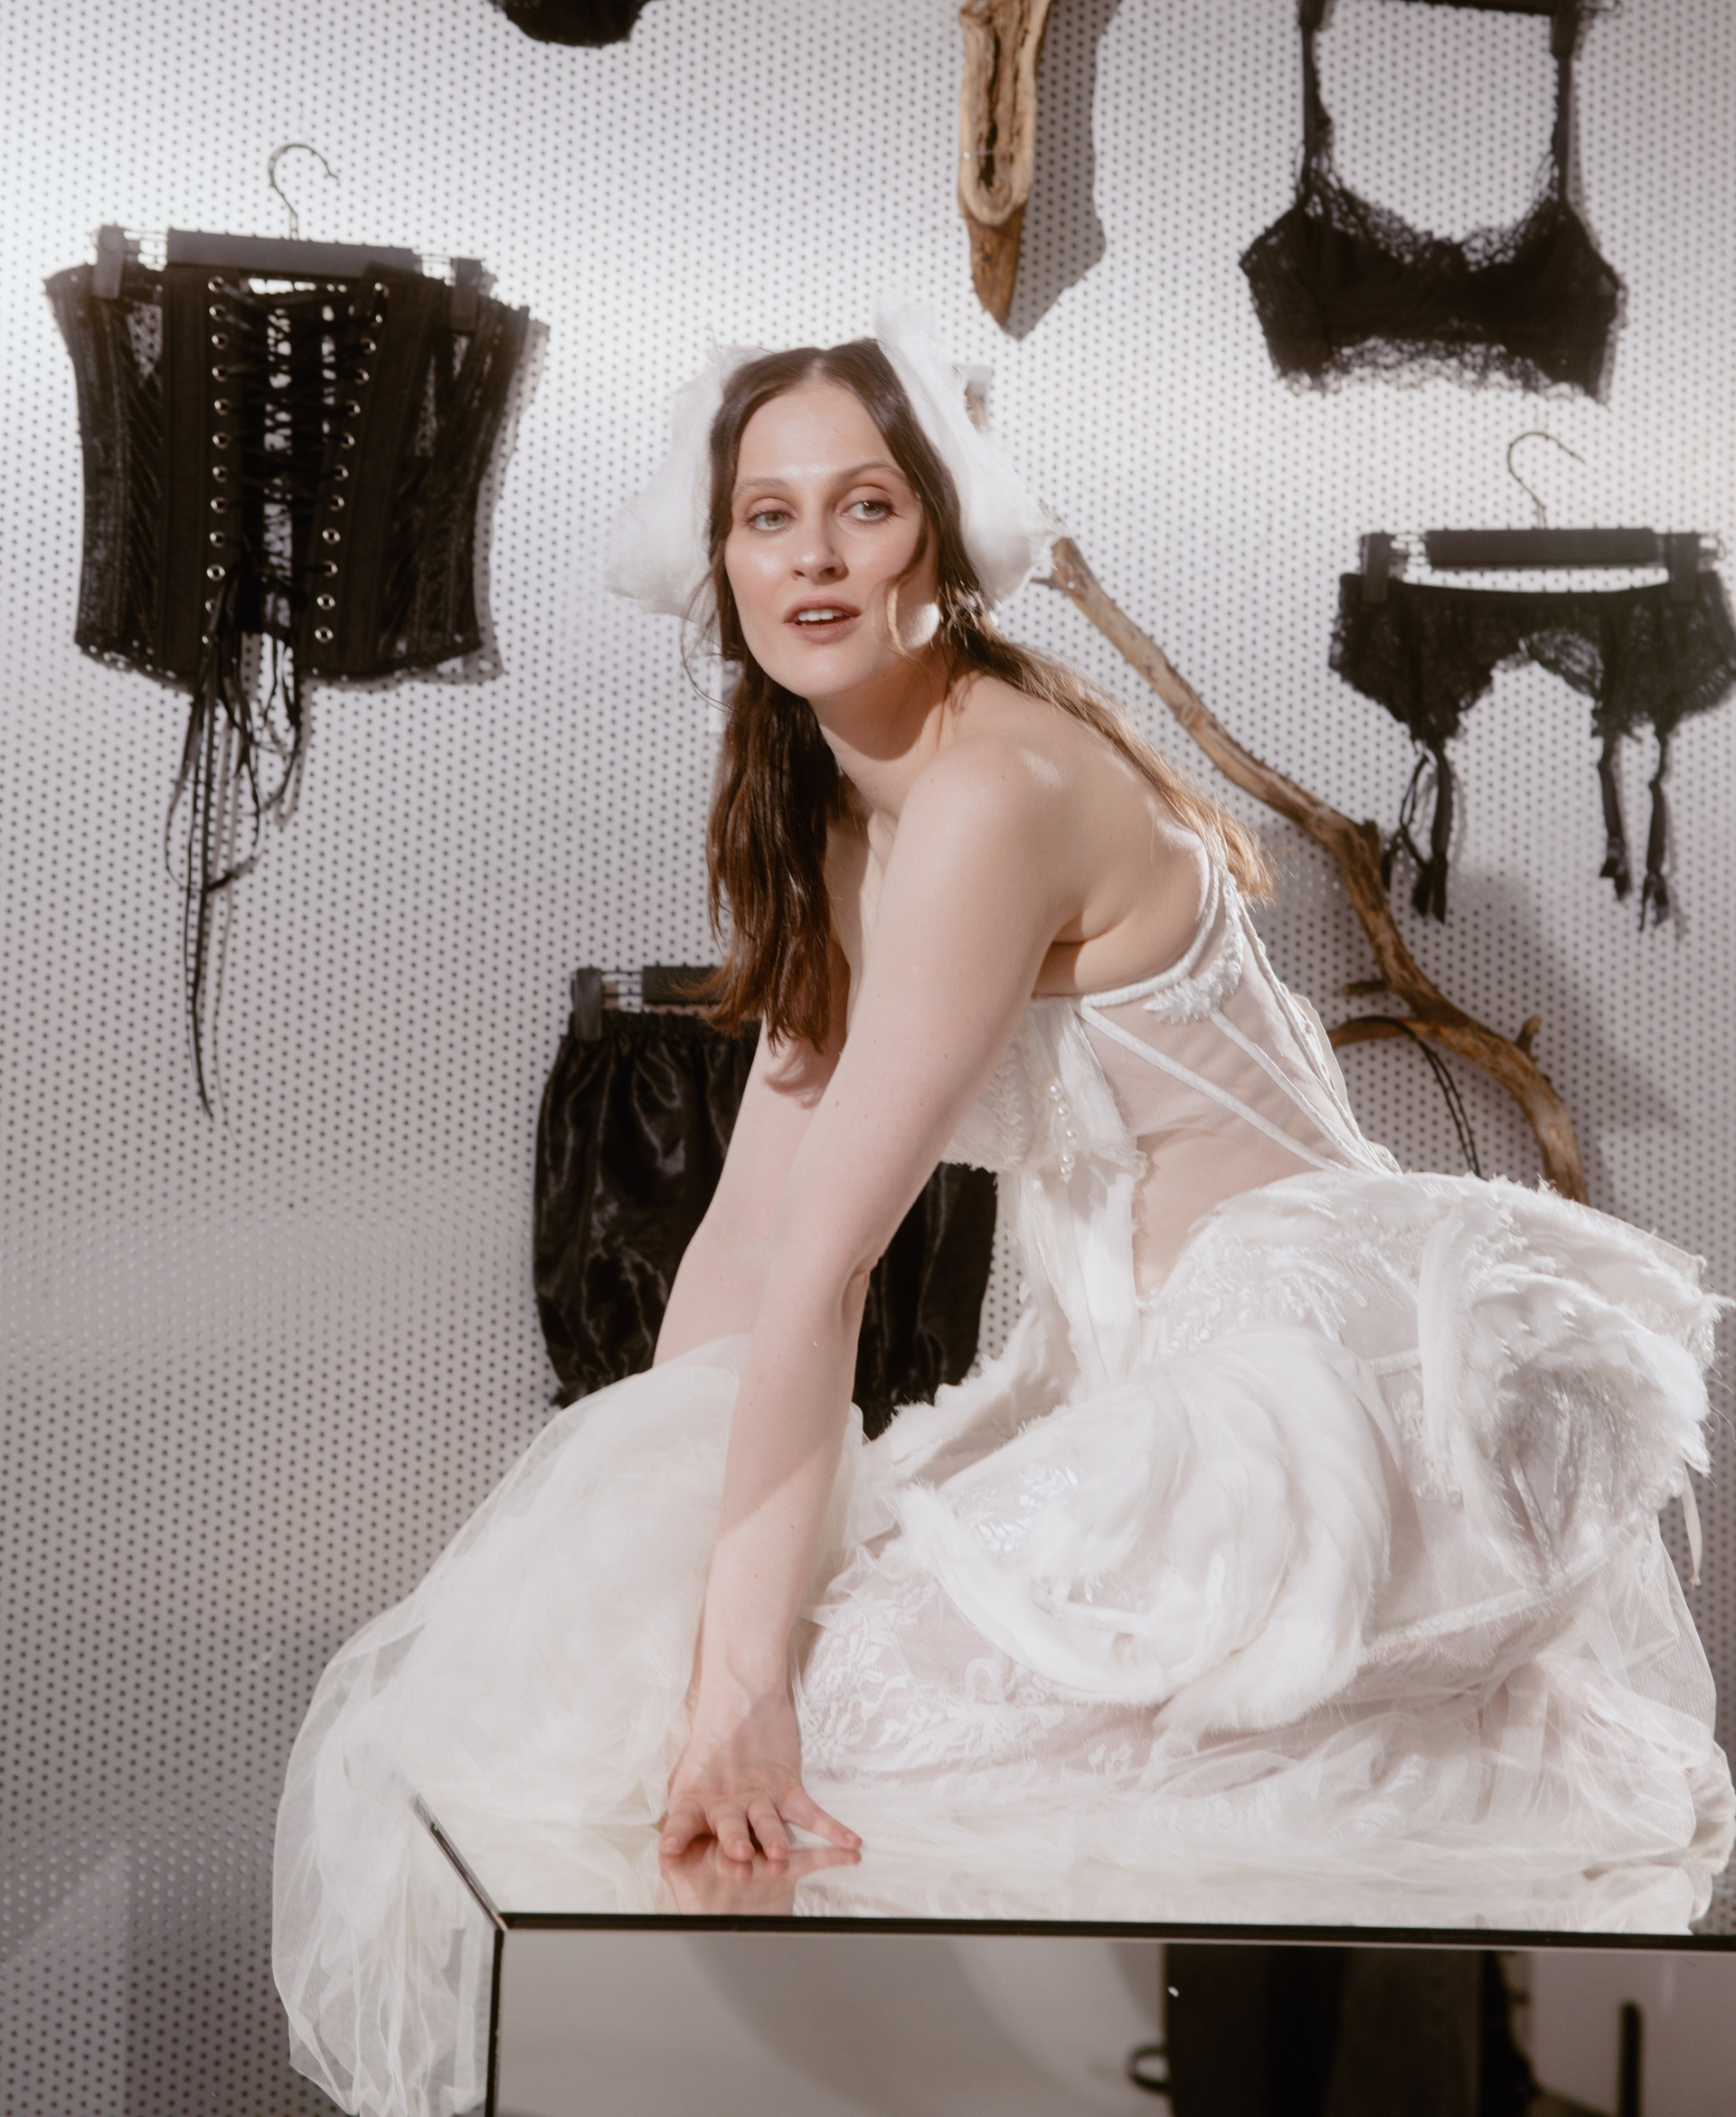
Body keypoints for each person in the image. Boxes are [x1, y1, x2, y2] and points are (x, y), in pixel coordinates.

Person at [275, 304, 1732, 2117]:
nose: (815, 556)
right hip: (1125, 1354)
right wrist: (640, 1546)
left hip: (1301, 1364)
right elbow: (747, 1230)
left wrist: (740, 1690)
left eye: (866, 508)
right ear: (721, 562)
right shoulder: (833, 811)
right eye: (769, 517)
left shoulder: (990, 788)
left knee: (850, 1726)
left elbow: (827, 1270)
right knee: (675, 1680)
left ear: (943, 543)